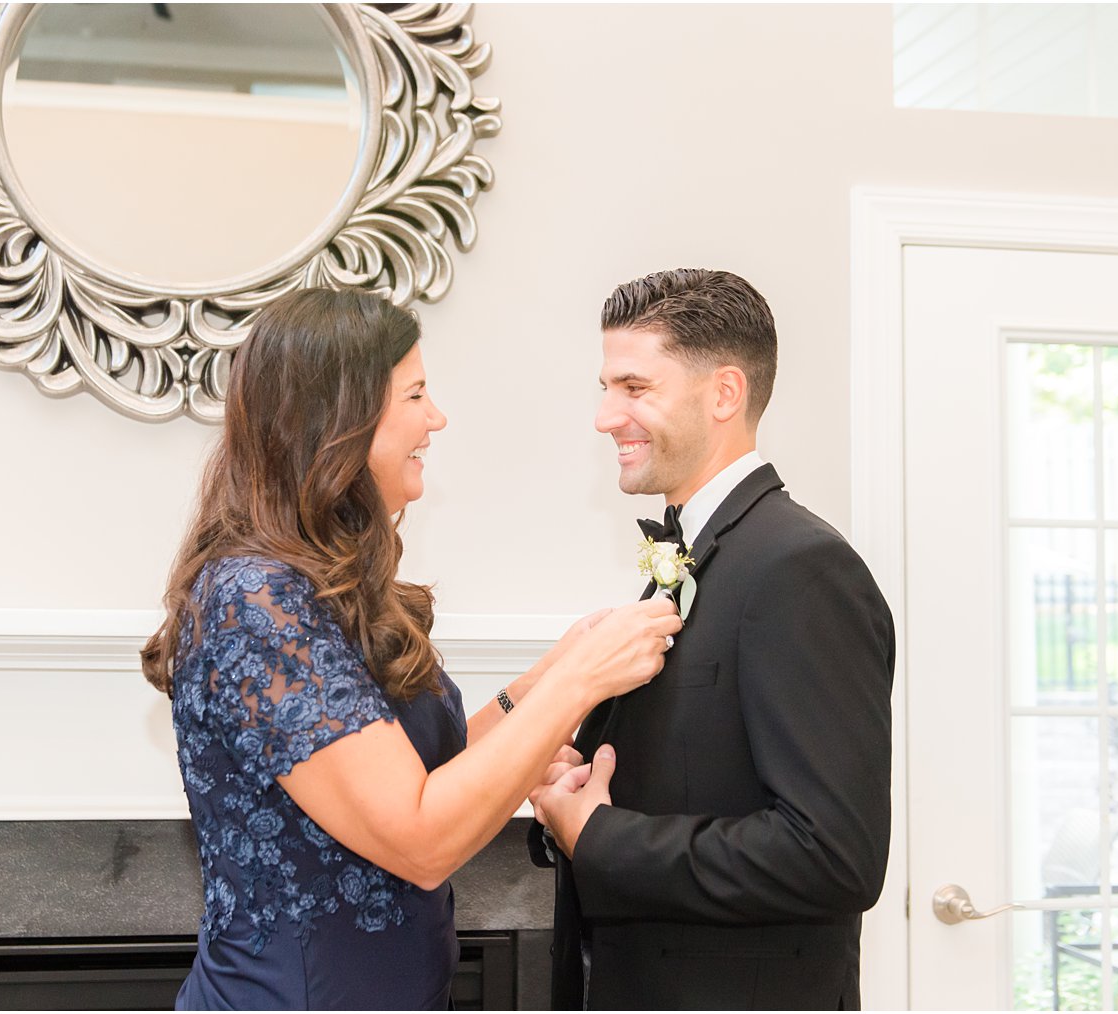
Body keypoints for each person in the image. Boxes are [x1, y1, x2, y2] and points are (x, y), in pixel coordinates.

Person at [140, 288, 681, 1010]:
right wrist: (574, 685)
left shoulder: (320, 582)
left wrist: (551, 671)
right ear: (339, 421)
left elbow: (428, 771)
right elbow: (422, 838)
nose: (437, 418)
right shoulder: (254, 600)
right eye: (416, 395)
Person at [529, 269, 895, 1010]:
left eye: (634, 388)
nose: (606, 416)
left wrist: (600, 836)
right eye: (606, 387)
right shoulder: (695, 554)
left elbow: (833, 855)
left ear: (724, 393)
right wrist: (579, 787)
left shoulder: (801, 568)